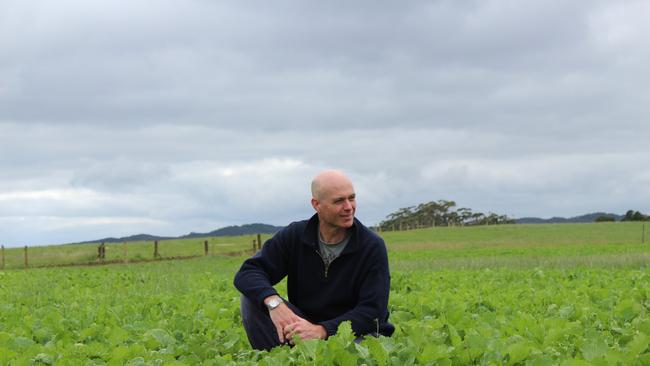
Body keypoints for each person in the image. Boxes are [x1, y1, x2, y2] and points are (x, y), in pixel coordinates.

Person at [233, 170, 394, 350]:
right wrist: (274, 303)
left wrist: (322, 330)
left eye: (352, 198)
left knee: (355, 352)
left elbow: (373, 312)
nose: (349, 207)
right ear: (316, 204)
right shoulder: (296, 236)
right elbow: (248, 272)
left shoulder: (371, 246)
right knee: (253, 298)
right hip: (304, 327)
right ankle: (276, 358)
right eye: (339, 201)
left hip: (355, 334)